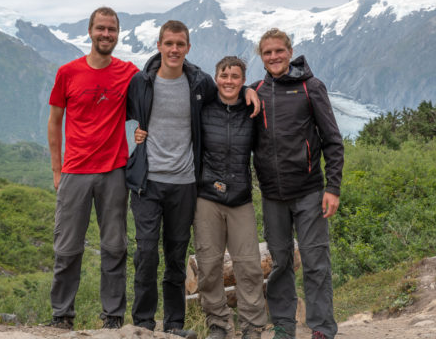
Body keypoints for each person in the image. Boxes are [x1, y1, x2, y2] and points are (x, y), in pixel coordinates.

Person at [126, 21, 259, 338]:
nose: (174, 49)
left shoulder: (199, 83)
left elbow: (231, 90)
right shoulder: (141, 82)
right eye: (168, 43)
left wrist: (253, 88)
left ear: (187, 47)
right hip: (148, 181)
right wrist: (136, 139)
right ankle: (144, 323)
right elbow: (121, 116)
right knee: (145, 253)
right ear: (159, 45)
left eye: (180, 44)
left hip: (185, 183)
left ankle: (174, 325)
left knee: (175, 255)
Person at [47, 6, 139, 330]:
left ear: (117, 34)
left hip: (114, 170)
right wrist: (58, 171)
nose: (106, 35)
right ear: (90, 31)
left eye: (111, 30)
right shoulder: (68, 73)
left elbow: (157, 91)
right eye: (101, 29)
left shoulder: (129, 72)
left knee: (115, 246)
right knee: (67, 248)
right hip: (74, 172)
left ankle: (112, 319)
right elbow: (55, 122)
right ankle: (62, 317)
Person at [252, 28, 344, 339]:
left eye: (279, 51)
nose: (274, 57)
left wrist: (333, 188)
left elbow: (332, 140)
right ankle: (284, 326)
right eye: (268, 52)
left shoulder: (311, 87)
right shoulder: (257, 91)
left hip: (310, 192)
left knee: (316, 262)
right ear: (261, 57)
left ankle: (321, 328)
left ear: (290, 53)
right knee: (280, 264)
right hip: (272, 195)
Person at [194, 57, 266, 339]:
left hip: (240, 198)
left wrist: (250, 90)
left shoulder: (252, 110)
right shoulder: (203, 108)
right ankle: (219, 324)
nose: (229, 81)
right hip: (207, 196)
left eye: (236, 77)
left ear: (242, 79)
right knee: (209, 265)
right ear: (216, 77)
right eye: (224, 75)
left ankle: (252, 326)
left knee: (248, 265)